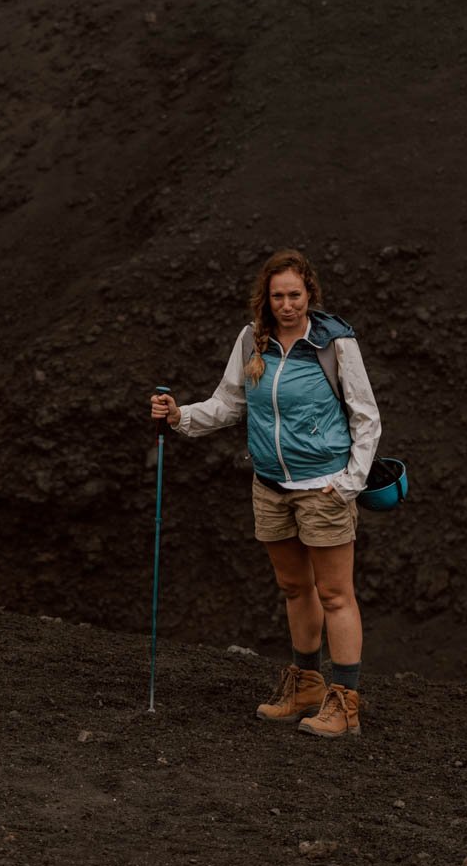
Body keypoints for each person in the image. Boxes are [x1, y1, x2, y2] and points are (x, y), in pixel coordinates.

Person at [150, 247, 381, 740]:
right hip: (271, 486)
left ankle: (345, 704)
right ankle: (305, 685)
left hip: (323, 487)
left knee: (336, 593)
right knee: (295, 588)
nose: (287, 304)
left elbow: (365, 414)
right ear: (267, 297)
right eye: (278, 295)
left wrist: (348, 483)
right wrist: (180, 416)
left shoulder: (333, 342)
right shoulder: (252, 340)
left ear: (309, 293)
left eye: (295, 294)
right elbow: (230, 404)